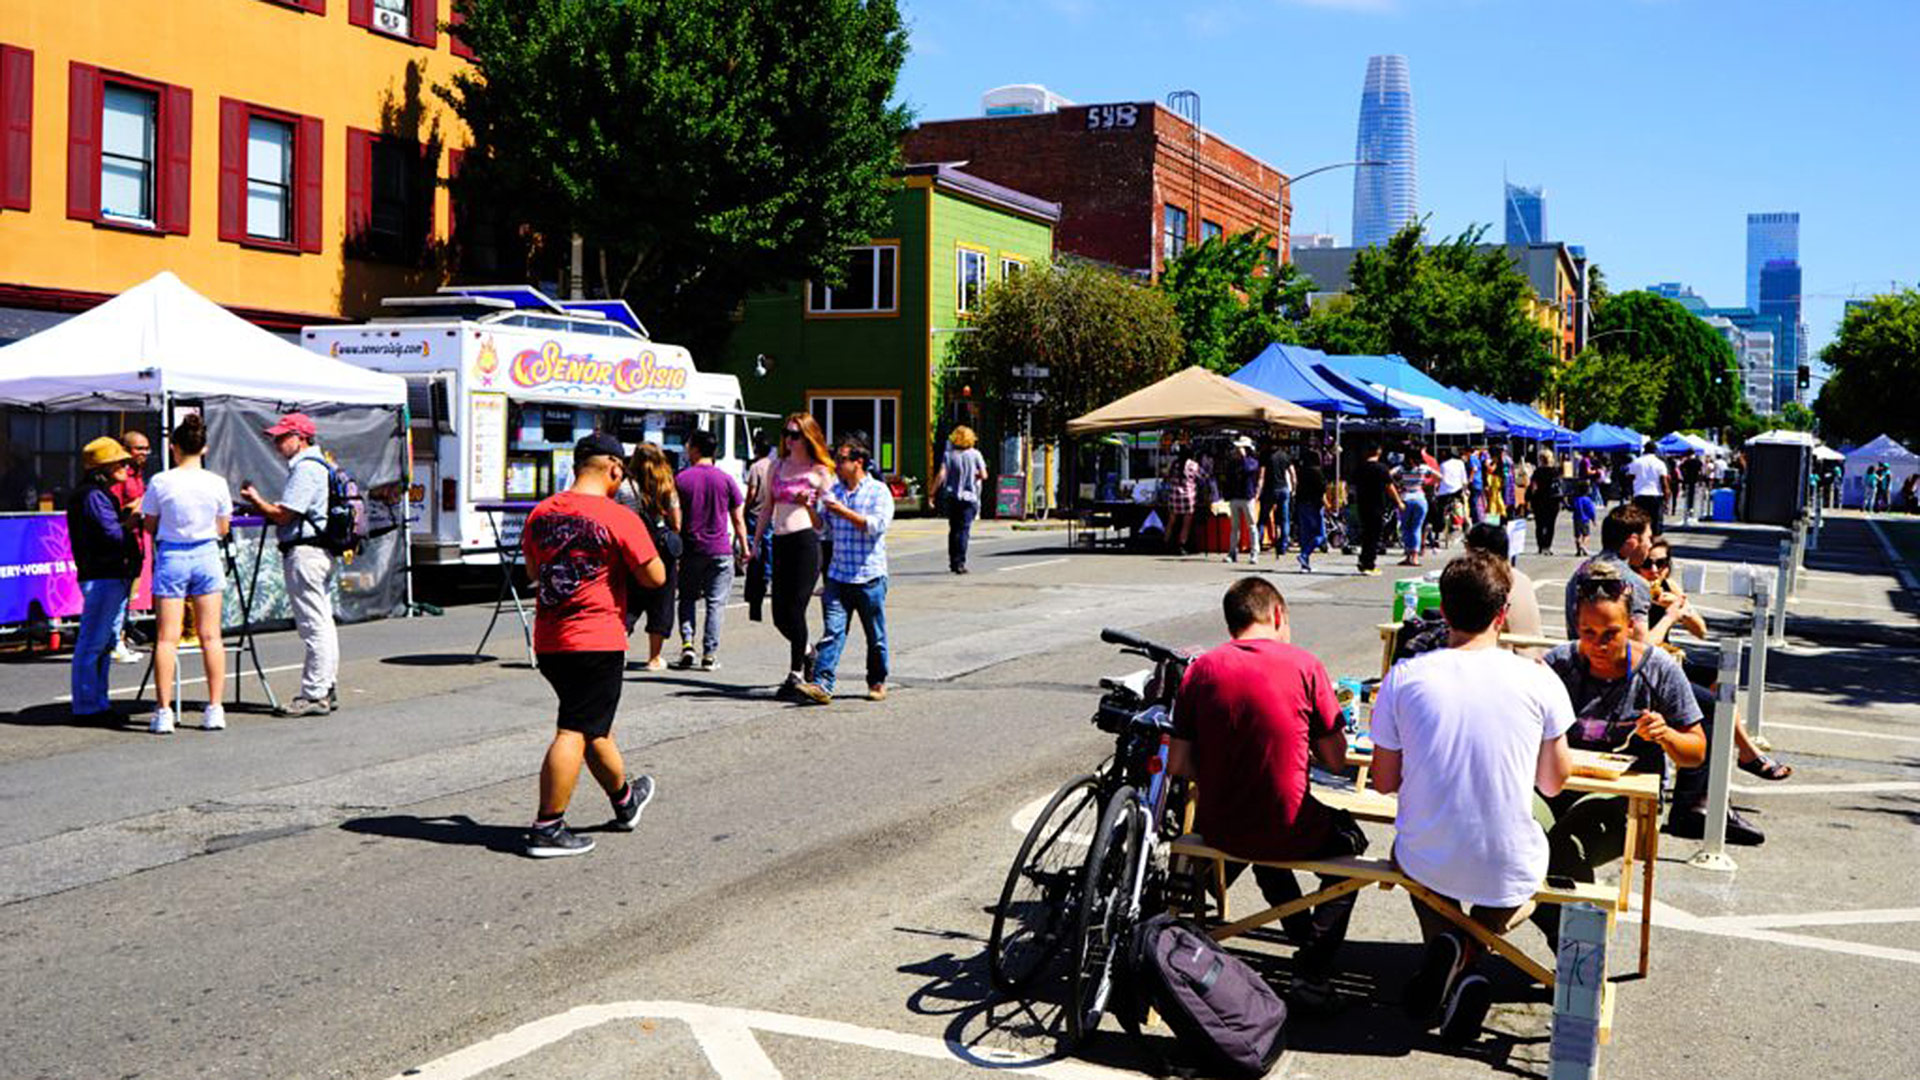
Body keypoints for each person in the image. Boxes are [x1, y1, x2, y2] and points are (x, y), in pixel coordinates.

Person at [1370, 552, 1574, 1042]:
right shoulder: (1540, 679)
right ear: (1503, 612)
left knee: (1410, 854)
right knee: (1522, 874)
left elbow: (1382, 781)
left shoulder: (1405, 677)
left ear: (1443, 612)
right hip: (1506, 862)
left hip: (1428, 856)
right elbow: (1553, 783)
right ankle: (1465, 952)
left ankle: (1450, 947)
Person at [1168, 577, 1371, 1006]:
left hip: (1218, 828)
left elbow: (1180, 765)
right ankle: (1312, 970)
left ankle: (1298, 931)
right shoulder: (1305, 665)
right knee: (1352, 852)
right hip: (1286, 824)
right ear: (1277, 614)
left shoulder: (1200, 670)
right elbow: (1335, 760)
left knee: (1264, 848)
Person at [1537, 564, 1705, 944]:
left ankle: (1578, 953)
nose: (1598, 644)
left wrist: (1666, 736)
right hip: (1558, 787)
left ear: (1631, 626)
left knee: (1565, 847)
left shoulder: (1658, 669)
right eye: (1587, 633)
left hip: (1626, 801)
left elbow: (1695, 752)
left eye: (1610, 633)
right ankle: (1553, 941)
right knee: (1511, 833)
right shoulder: (1557, 665)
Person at [520, 432, 666, 857]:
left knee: (591, 725)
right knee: (575, 729)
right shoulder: (617, 516)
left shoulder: (541, 512)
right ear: (615, 469)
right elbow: (654, 577)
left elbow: (534, 568)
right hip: (595, 638)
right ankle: (547, 827)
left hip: (549, 639)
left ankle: (625, 800)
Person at [238, 413, 338, 717]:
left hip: (305, 552)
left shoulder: (306, 469)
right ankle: (325, 687)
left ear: (301, 437)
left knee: (313, 625)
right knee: (322, 622)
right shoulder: (321, 465)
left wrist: (255, 500)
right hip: (319, 551)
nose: (278, 443)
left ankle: (314, 693)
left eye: (283, 437)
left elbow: (285, 515)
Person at [141, 414, 233, 734]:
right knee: (211, 636)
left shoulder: (160, 481)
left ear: (173, 447)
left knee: (166, 638)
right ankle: (214, 708)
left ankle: (164, 711)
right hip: (207, 552)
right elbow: (223, 528)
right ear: (204, 447)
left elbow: (149, 525)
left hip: (172, 554)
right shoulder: (217, 482)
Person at [796, 436, 894, 704]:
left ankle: (877, 681)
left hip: (869, 576)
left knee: (875, 636)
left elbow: (875, 526)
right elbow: (821, 528)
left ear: (858, 462)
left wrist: (843, 511)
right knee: (832, 633)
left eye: (841, 460)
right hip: (838, 575)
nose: (836, 465)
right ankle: (822, 684)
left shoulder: (878, 492)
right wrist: (808, 506)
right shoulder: (834, 493)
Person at [756, 412, 833, 698]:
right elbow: (766, 507)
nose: (789, 439)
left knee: (795, 610)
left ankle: (796, 673)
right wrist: (753, 544)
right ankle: (809, 651)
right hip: (780, 541)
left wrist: (812, 505)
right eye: (786, 433)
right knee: (778, 615)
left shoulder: (820, 471)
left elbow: (828, 517)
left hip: (806, 542)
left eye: (795, 434)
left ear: (808, 437)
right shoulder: (777, 466)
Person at [67, 438, 143, 722]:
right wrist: (132, 520)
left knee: (102, 641)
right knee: (93, 642)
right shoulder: (94, 495)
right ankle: (88, 705)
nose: (126, 466)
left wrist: (125, 516)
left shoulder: (96, 494)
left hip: (106, 574)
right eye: (120, 462)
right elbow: (111, 535)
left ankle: (98, 701)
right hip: (102, 574)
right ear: (103, 467)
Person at [671, 430, 747, 671]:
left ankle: (687, 644)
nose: (685, 448)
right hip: (720, 550)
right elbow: (738, 519)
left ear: (695, 448)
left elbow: (676, 519)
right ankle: (710, 654)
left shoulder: (681, 479)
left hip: (691, 549)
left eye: (688, 444)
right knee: (716, 603)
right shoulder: (725, 479)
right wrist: (744, 548)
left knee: (687, 598)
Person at [623, 442, 681, 671]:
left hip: (632, 549)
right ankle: (654, 658)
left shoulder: (625, 487)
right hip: (661, 552)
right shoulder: (667, 486)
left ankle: (620, 652)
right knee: (661, 602)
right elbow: (676, 523)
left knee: (628, 602)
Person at [1563, 503, 1654, 638]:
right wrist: (1671, 616)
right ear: (1633, 541)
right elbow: (1641, 644)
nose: (1650, 545)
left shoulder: (1578, 574)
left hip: (1578, 655)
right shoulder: (1635, 583)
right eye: (1648, 538)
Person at [108, 429, 153, 664]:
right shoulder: (120, 474)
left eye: (147, 448)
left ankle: (121, 639)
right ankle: (115, 641)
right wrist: (138, 505)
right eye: (139, 448)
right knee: (118, 594)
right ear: (126, 449)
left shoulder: (139, 474)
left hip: (137, 541)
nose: (144, 453)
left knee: (129, 594)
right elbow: (115, 507)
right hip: (123, 540)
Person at [1463, 523, 1543, 651]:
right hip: (1536, 655)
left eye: (1467, 546)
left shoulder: (1486, 582)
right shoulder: (1522, 578)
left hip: (1509, 660)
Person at [930, 425, 988, 572]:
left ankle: (953, 561)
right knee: (964, 530)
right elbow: (984, 475)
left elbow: (941, 475)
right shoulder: (975, 454)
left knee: (953, 529)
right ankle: (960, 562)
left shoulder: (948, 455)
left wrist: (932, 493)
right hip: (969, 498)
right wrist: (974, 476)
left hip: (952, 496)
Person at [742, 428, 776, 622]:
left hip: (756, 511)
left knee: (755, 542)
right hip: (771, 511)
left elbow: (752, 491)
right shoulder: (773, 466)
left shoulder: (755, 467)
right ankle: (769, 572)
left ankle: (755, 570)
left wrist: (746, 507)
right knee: (769, 542)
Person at [1352, 442, 1396, 576]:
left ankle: (1363, 560)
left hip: (1362, 504)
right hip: (1377, 505)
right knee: (1374, 535)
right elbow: (1390, 487)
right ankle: (1369, 564)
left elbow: (1352, 486)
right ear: (1379, 451)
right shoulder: (1382, 468)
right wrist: (1398, 501)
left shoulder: (1360, 467)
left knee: (1366, 534)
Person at [1222, 437, 1263, 564]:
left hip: (1247, 497)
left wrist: (1244, 457)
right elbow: (1227, 476)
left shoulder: (1252, 461)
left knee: (1251, 525)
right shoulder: (1232, 463)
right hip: (1235, 496)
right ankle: (1232, 552)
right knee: (1234, 527)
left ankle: (1254, 552)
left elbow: (1248, 470)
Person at [1391, 449, 1435, 566]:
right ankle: (1415, 557)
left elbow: (1389, 475)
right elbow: (1439, 476)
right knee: (1417, 527)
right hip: (1420, 499)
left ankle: (1407, 555)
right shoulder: (1423, 468)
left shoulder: (1401, 468)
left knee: (1406, 528)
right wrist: (1426, 482)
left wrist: (1398, 484)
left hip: (1405, 498)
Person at [1292, 450, 1327, 572]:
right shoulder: (1318, 472)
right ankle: (1304, 555)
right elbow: (1322, 490)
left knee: (1305, 535)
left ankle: (1304, 564)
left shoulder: (1301, 472)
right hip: (1314, 505)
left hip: (1302, 505)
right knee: (1320, 535)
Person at [1160, 445, 1198, 556]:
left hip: (1174, 496)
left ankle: (1165, 542)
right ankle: (1181, 545)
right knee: (1186, 524)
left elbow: (1166, 476)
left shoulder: (1174, 464)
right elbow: (1204, 476)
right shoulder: (1193, 465)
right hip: (1188, 497)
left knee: (1171, 522)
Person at [1526, 452, 1563, 556]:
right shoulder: (1555, 471)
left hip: (1539, 501)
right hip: (1553, 501)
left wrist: (1530, 498)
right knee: (1550, 525)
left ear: (1541, 459)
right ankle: (1547, 546)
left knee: (1539, 524)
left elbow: (1533, 487)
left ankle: (1541, 546)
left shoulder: (1537, 472)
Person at [1627, 441, 1668, 534]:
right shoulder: (1660, 463)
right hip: (1655, 495)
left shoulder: (1636, 462)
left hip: (1640, 495)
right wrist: (1666, 499)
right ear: (1655, 451)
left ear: (1644, 450)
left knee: (1640, 522)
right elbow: (1664, 483)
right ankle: (1653, 542)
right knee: (1656, 522)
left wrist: (1631, 494)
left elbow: (1629, 479)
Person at [1263, 440, 1294, 556]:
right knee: (1284, 519)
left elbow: (1262, 474)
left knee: (1263, 517)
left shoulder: (1267, 457)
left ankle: (1259, 541)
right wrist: (1293, 487)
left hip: (1271, 489)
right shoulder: (1285, 457)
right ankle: (1284, 545)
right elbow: (1292, 473)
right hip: (1284, 488)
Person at [1432, 449, 1467, 549]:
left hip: (1444, 493)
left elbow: (1439, 480)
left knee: (1439, 513)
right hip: (1457, 491)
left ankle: (1436, 537)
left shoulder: (1443, 464)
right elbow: (1464, 480)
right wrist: (1465, 490)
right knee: (1463, 510)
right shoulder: (1460, 463)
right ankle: (1465, 531)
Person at [1678, 452, 1705, 525]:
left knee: (1688, 495)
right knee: (1693, 495)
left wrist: (1684, 474)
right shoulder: (1698, 462)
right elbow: (1701, 472)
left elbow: (1680, 468)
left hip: (1687, 480)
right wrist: (1701, 480)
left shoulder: (1686, 462)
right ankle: (1691, 508)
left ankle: (1688, 508)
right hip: (1695, 480)